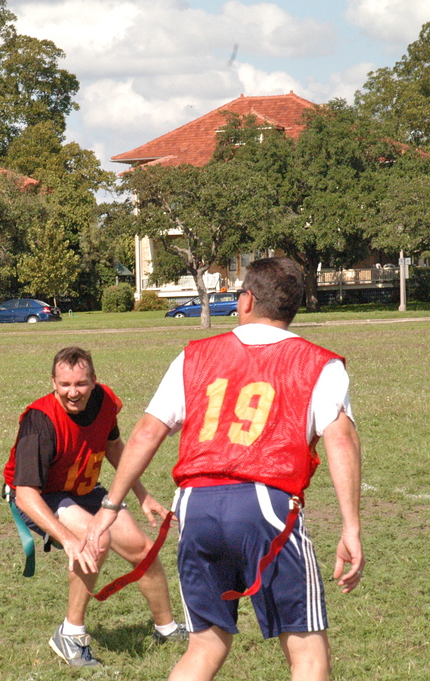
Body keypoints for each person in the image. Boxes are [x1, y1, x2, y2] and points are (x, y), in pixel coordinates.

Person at [85, 257, 363, 681]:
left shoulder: (195, 355)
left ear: (247, 299)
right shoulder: (320, 363)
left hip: (196, 505)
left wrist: (110, 506)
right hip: (266, 505)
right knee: (308, 651)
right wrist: (351, 526)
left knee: (206, 644)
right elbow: (340, 439)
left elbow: (145, 432)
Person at [3, 347, 186, 667]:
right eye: (65, 385)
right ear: (53, 382)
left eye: (81, 384)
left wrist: (141, 493)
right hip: (43, 495)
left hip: (84, 489)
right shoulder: (40, 421)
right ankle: (70, 634)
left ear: (94, 381)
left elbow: (114, 447)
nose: (73, 392)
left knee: (143, 550)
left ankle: (166, 629)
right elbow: (25, 495)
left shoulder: (104, 401)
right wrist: (70, 539)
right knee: (94, 539)